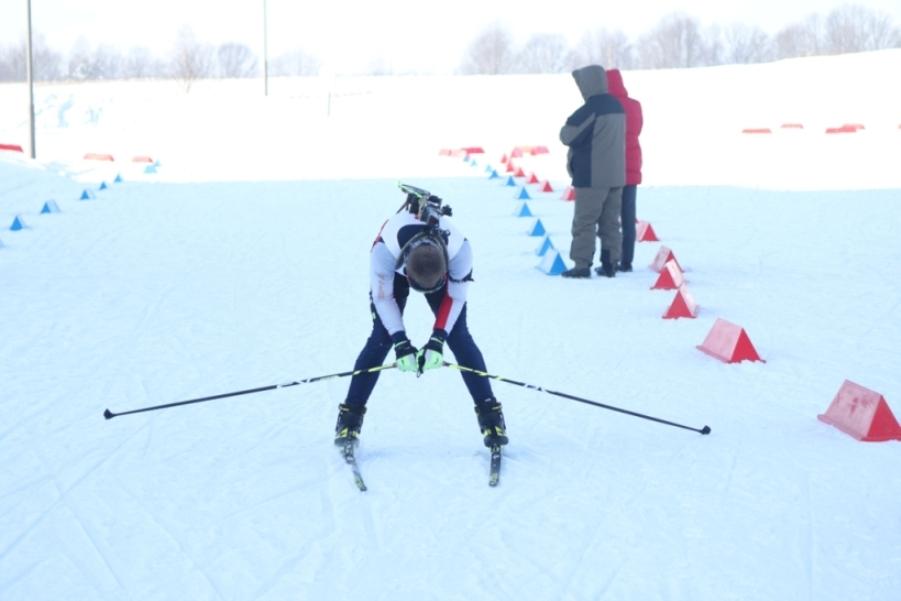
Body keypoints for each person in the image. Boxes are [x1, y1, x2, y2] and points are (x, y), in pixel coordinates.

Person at [333, 186, 508, 450]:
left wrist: (438, 339)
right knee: (381, 339)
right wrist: (401, 341)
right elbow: (384, 299)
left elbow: (456, 298)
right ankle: (349, 420)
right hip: (396, 266)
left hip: (438, 268)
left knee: (459, 337)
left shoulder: (461, 251)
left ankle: (491, 418)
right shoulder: (384, 251)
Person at [558, 64, 626, 278]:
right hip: (616, 175)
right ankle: (610, 263)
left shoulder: (591, 109)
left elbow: (567, 135)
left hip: (592, 176)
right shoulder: (617, 106)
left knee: (584, 222)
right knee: (611, 223)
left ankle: (582, 265)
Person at [605, 68, 643, 273]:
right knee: (628, 217)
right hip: (632, 168)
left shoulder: (606, 108)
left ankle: (612, 260)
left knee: (610, 219)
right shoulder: (635, 106)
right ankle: (627, 262)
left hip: (611, 169)